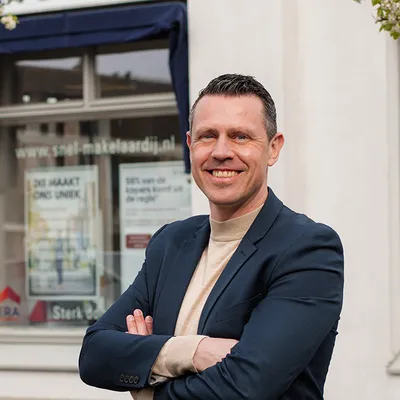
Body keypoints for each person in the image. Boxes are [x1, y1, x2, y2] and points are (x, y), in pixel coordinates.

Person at [79, 74, 344, 400]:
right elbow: (94, 354)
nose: (221, 152)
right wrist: (193, 351)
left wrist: (148, 385)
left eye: (240, 136)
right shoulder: (171, 242)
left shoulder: (307, 249)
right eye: (207, 136)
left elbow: (246, 387)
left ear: (273, 148)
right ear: (190, 145)